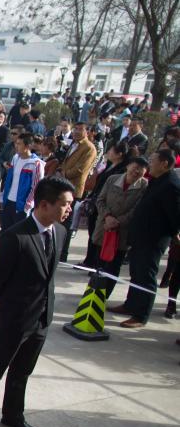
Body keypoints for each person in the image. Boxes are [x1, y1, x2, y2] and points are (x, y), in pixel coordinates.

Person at [0, 177, 75, 427]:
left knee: (22, 371)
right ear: (44, 204)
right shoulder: (16, 236)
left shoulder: (59, 232)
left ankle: (13, 414)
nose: (68, 210)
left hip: (42, 319)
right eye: (64, 205)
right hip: (15, 319)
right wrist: (14, 305)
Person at [111, 149, 180, 328]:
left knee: (146, 275)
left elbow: (176, 215)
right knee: (137, 272)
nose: (150, 163)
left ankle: (141, 315)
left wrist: (175, 234)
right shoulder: (157, 181)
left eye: (153, 160)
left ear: (164, 163)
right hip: (140, 236)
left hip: (153, 238)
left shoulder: (171, 184)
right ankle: (131, 304)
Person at [90, 157, 148, 297]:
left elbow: (137, 210)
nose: (137, 171)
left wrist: (117, 222)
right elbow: (100, 200)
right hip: (103, 227)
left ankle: (103, 296)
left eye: (141, 169)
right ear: (128, 166)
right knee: (99, 263)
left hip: (122, 231)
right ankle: (92, 294)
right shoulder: (112, 179)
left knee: (114, 266)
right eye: (135, 167)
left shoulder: (144, 186)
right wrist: (108, 217)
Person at [57, 121, 98, 261]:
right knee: (59, 220)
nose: (76, 132)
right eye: (75, 129)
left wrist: (65, 173)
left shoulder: (89, 148)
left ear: (87, 132)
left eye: (80, 129)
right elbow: (65, 162)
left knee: (67, 223)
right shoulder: (73, 144)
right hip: (62, 186)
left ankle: (63, 254)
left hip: (74, 189)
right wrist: (61, 171)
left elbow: (81, 169)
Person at [0, 133, 44, 230]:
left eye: (19, 144)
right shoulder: (15, 158)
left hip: (21, 206)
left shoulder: (36, 164)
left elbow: (36, 186)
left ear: (28, 146)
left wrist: (27, 205)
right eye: (16, 143)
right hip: (8, 202)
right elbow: (8, 180)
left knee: (18, 235)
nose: (16, 146)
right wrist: (2, 197)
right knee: (5, 233)